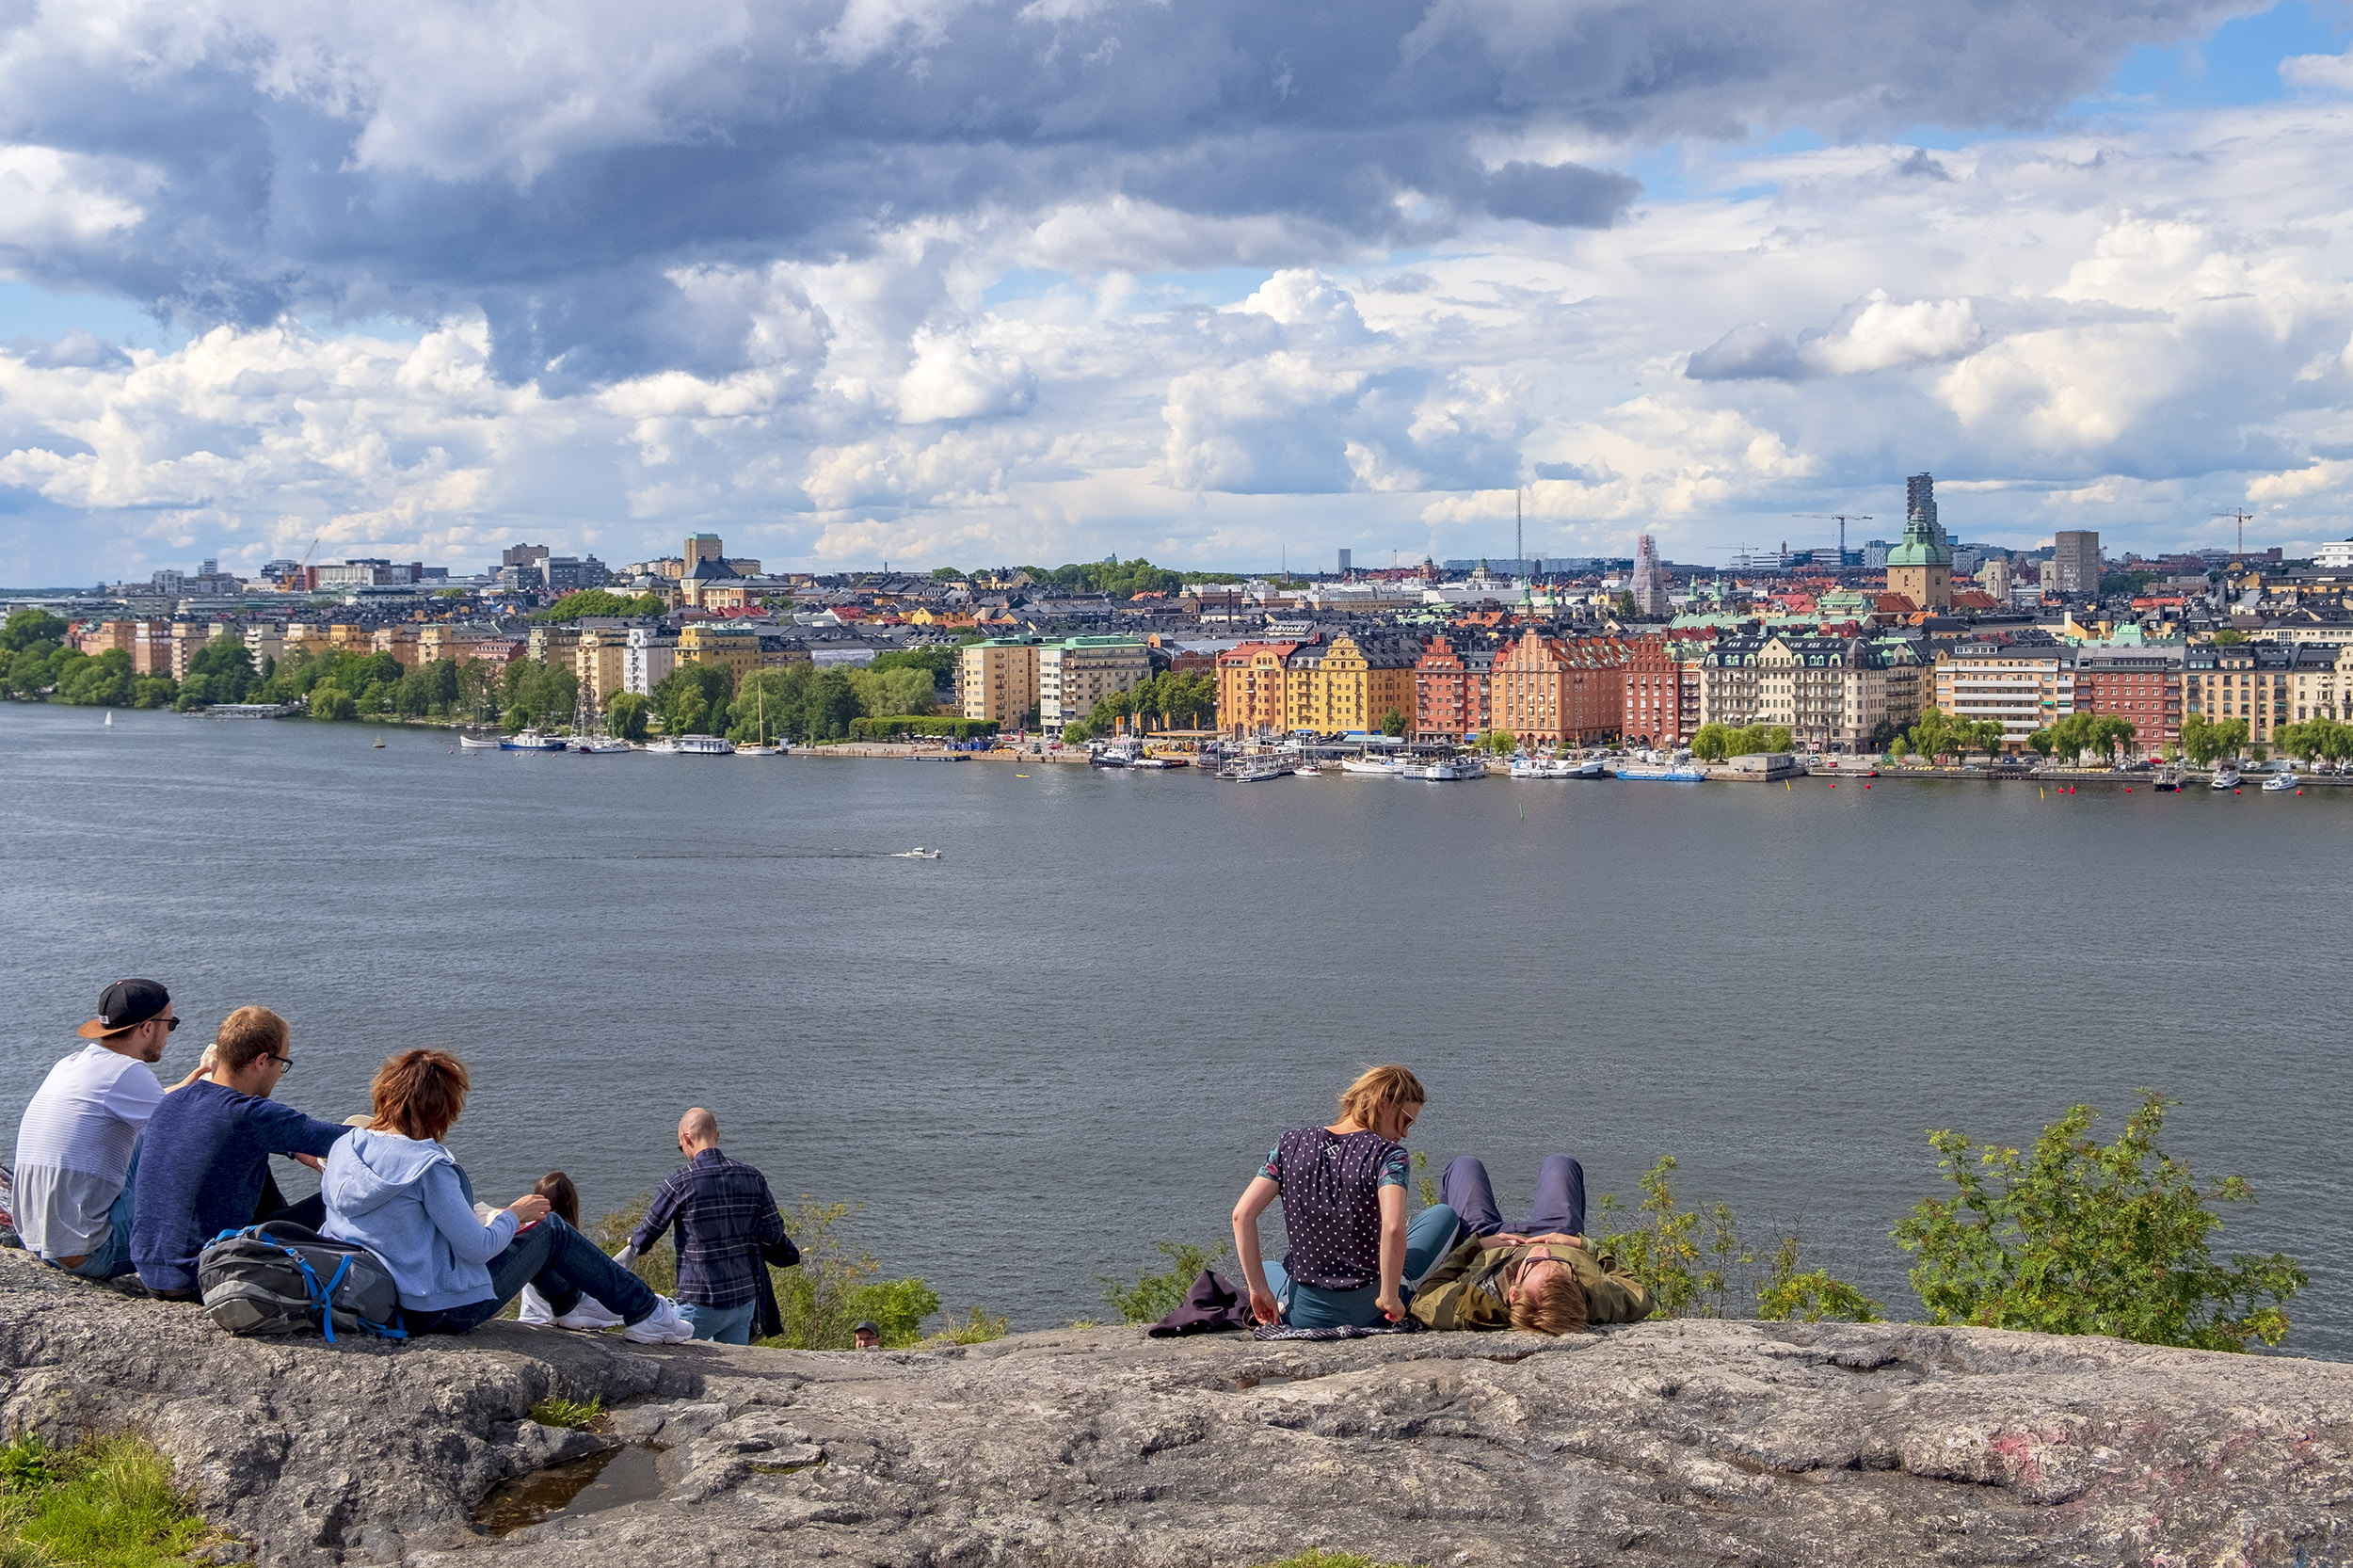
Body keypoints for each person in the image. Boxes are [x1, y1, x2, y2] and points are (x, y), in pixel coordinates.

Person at [320, 1048, 693, 1342]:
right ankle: (647, 1314)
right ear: (440, 1109)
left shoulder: (345, 1147)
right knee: (550, 1231)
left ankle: (570, 1306)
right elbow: (478, 1248)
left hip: (375, 1299)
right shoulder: (426, 1167)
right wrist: (514, 1213)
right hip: (433, 1310)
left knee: (537, 1240)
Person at [130, 1006, 353, 1299]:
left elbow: (228, 1129)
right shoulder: (251, 1114)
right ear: (262, 1061)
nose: (280, 1074)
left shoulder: (173, 1101)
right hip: (204, 1275)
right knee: (344, 1198)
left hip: (153, 1272)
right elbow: (351, 1140)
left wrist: (292, 1146)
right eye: (282, 1064)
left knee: (250, 1161)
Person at [1229, 1064, 1461, 1330]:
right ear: (1384, 1102)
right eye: (1406, 1120)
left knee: (1271, 1268)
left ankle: (1283, 1297)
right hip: (1373, 1310)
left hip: (1306, 1314)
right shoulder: (1389, 1156)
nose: (1405, 1133)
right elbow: (1394, 1226)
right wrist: (1389, 1296)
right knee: (1445, 1215)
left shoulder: (1289, 1145)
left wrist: (1257, 1290)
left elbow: (1242, 1215)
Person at [13, 979, 208, 1281]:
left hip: (37, 1239)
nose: (169, 1035)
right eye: (170, 1024)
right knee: (210, 1154)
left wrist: (187, 1087)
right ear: (148, 1027)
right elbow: (187, 1137)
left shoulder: (71, 1064)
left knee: (147, 1138)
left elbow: (141, 1108)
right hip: (89, 1251)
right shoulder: (129, 1072)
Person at [1408, 1154, 1653, 1334]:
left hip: (1488, 1239)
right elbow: (1642, 1293)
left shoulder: (1471, 1305)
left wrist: (1472, 1246)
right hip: (1558, 1234)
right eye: (1560, 1267)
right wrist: (1582, 1247)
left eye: (1537, 1263)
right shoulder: (1596, 1296)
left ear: (1513, 1294)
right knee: (1561, 1164)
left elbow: (1423, 1299)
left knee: (1464, 1165)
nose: (1543, 1252)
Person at [621, 1108, 788, 1345]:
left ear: (685, 1138)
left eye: (681, 1147)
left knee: (663, 1359)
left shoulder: (680, 1181)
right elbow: (774, 1233)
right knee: (731, 1373)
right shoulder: (753, 1177)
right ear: (717, 1135)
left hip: (701, 1301)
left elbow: (648, 1234)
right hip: (744, 1302)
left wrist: (633, 1242)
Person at [516, 1173, 624, 1330]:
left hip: (530, 1317)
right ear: (572, 1204)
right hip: (563, 1315)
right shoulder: (569, 1244)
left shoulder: (528, 1235)